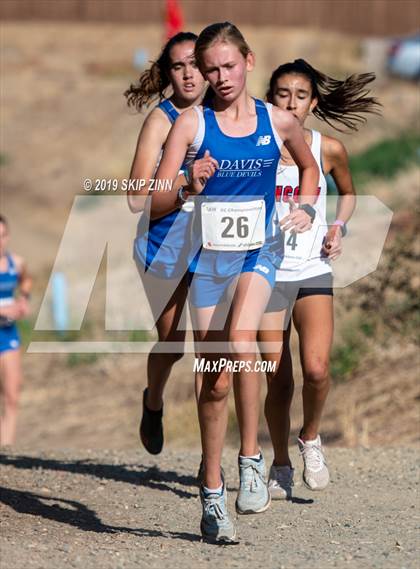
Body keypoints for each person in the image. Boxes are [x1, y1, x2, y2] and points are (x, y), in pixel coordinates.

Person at [149, 23, 319, 543]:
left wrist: (307, 208)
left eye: (229, 66)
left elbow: (310, 169)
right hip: (206, 262)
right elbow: (151, 201)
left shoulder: (278, 120)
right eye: (211, 69)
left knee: (242, 343)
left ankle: (250, 459)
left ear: (248, 60)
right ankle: (211, 486)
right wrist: (185, 186)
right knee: (216, 376)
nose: (221, 78)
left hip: (259, 253)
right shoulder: (191, 126)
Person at [258, 59, 380, 499]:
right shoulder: (254, 147)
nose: (291, 103)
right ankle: (281, 462)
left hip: (312, 269)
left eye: (301, 95)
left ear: (313, 101)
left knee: (317, 369)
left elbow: (348, 194)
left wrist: (337, 227)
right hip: (264, 273)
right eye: (282, 94)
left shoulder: (327, 148)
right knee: (277, 377)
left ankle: (310, 438)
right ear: (269, 97)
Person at [125, 32, 205, 455]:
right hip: (164, 240)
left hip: (215, 243)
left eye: (195, 63)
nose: (189, 74)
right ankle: (153, 401)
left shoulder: (227, 111)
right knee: (173, 343)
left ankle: (209, 454)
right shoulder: (161, 118)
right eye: (178, 66)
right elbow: (137, 197)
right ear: (168, 73)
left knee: (213, 346)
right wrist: (186, 187)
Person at [0, 215, 32, 446]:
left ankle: (6, 452)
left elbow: (26, 280)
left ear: (8, 236)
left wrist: (24, 300)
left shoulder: (16, 262)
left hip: (8, 334)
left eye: (2, 236)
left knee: (12, 395)